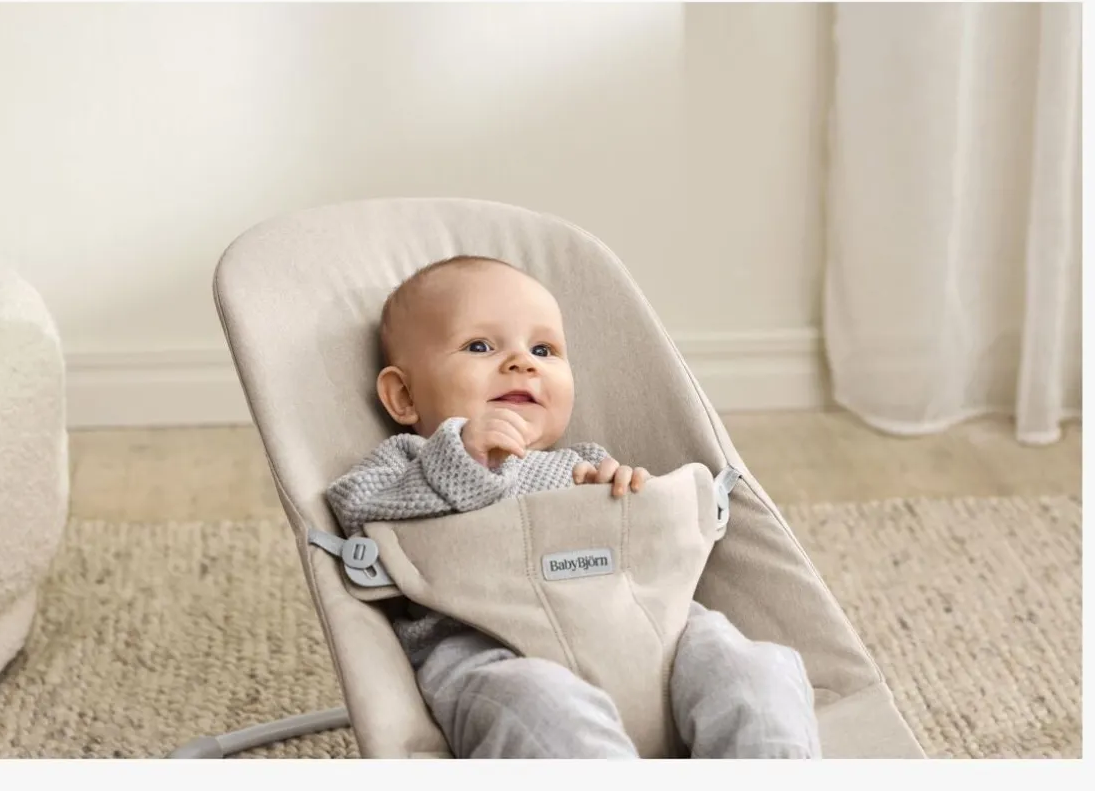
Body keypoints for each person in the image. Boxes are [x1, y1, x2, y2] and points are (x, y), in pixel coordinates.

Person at [326, 254, 820, 759]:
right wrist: (461, 459)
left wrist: (627, 498)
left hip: (644, 633)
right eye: (480, 346)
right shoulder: (407, 460)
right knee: (538, 706)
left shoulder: (582, 464)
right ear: (404, 396)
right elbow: (358, 513)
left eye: (543, 349)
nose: (522, 363)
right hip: (491, 644)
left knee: (750, 670)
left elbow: (647, 562)